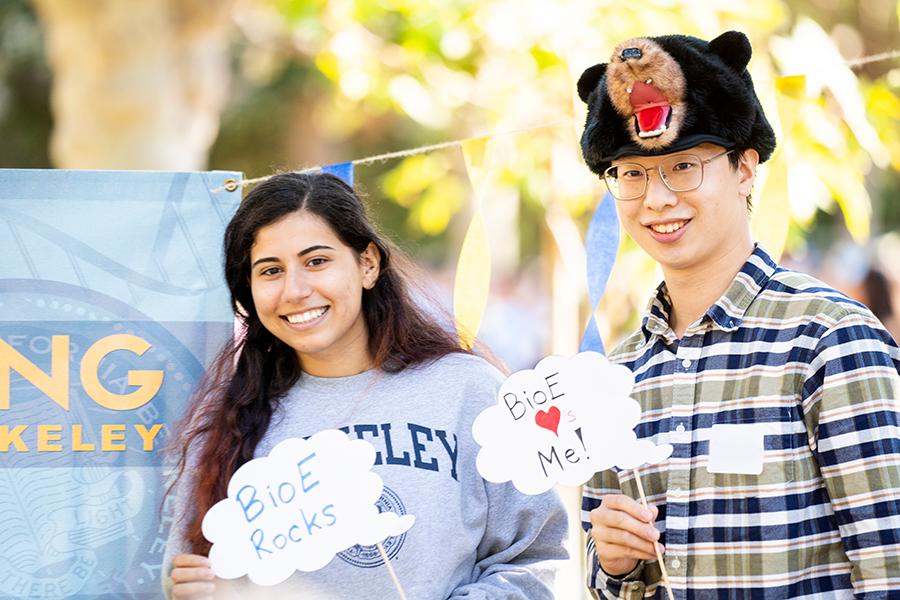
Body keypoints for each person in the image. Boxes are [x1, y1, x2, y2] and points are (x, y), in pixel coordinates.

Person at [576, 31, 900, 598]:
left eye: (683, 167)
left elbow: (890, 562)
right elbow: (611, 586)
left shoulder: (829, 339)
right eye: (632, 173)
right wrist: (616, 566)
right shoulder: (616, 378)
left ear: (746, 169)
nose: (656, 199)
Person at [162, 171, 569, 600]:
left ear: (368, 264)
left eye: (316, 261)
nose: (295, 290)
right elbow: (194, 566)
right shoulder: (230, 421)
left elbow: (536, 558)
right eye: (270, 270)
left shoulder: (468, 390)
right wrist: (201, 590)